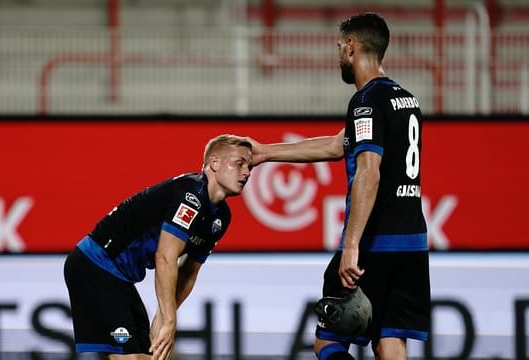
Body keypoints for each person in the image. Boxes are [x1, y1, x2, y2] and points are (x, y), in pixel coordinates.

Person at [249, 12, 430, 360]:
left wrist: (351, 247)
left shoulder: (366, 101)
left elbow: (369, 171)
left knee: (328, 342)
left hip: (374, 246)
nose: (337, 56)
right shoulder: (406, 100)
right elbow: (338, 145)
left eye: (338, 47)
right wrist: (266, 152)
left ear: (351, 48)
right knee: (390, 343)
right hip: (412, 246)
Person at [64, 134, 253, 360]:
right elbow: (164, 257)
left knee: (150, 356)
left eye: (250, 166)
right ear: (214, 163)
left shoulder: (220, 217)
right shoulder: (191, 195)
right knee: (130, 358)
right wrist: (170, 320)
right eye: (239, 163)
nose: (247, 172)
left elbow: (188, 271)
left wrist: (164, 315)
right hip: (94, 265)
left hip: (118, 277)